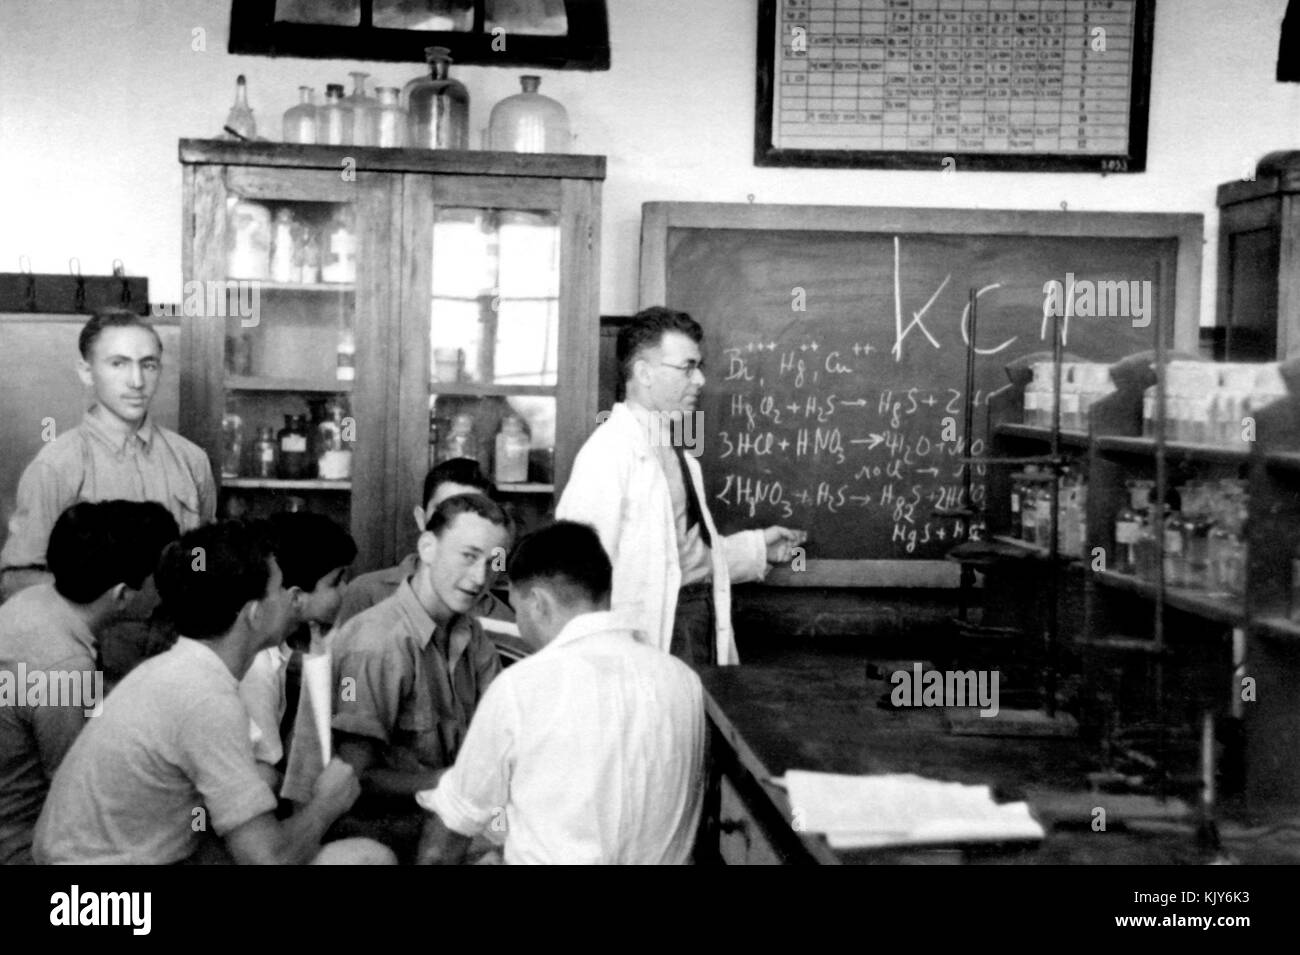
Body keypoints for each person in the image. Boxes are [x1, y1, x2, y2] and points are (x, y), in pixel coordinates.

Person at [32, 520, 388, 865]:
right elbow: (267, 858)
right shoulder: (206, 697)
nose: (290, 599)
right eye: (280, 589)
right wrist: (326, 805)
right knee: (368, 859)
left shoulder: (184, 670)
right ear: (254, 613)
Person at [416, 521, 706, 864]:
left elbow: (453, 825)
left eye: (518, 610)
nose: (521, 627)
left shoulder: (521, 687)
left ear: (538, 603)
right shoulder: (684, 682)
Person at [556, 306, 806, 666]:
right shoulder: (608, 454)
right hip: (648, 639)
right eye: (688, 367)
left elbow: (680, 558)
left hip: (690, 624)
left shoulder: (675, 453)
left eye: (698, 367)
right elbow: (576, 571)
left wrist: (757, 549)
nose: (700, 380)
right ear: (643, 372)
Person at [311, 493, 512, 861]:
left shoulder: (474, 636)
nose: (481, 577)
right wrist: (457, 782)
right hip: (379, 829)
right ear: (428, 547)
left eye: (493, 562)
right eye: (468, 556)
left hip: (451, 817)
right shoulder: (376, 641)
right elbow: (355, 778)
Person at [0, 501, 178, 864]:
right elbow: (81, 792)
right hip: (24, 846)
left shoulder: (32, 602)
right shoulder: (65, 667)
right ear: (122, 595)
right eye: (157, 581)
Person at [0, 309, 216, 601]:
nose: (137, 381)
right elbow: (17, 579)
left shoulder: (192, 460)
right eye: (119, 364)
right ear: (86, 372)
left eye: (148, 365)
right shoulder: (56, 466)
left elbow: (202, 553)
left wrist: (198, 579)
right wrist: (92, 600)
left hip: (176, 639)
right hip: (95, 643)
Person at [335, 457, 526, 661]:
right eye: (444, 512)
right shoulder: (366, 593)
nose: (460, 528)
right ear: (421, 518)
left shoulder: (501, 616)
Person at [238, 512, 356, 794]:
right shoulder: (258, 664)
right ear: (296, 597)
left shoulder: (298, 642)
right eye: (336, 580)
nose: (346, 589)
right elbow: (268, 772)